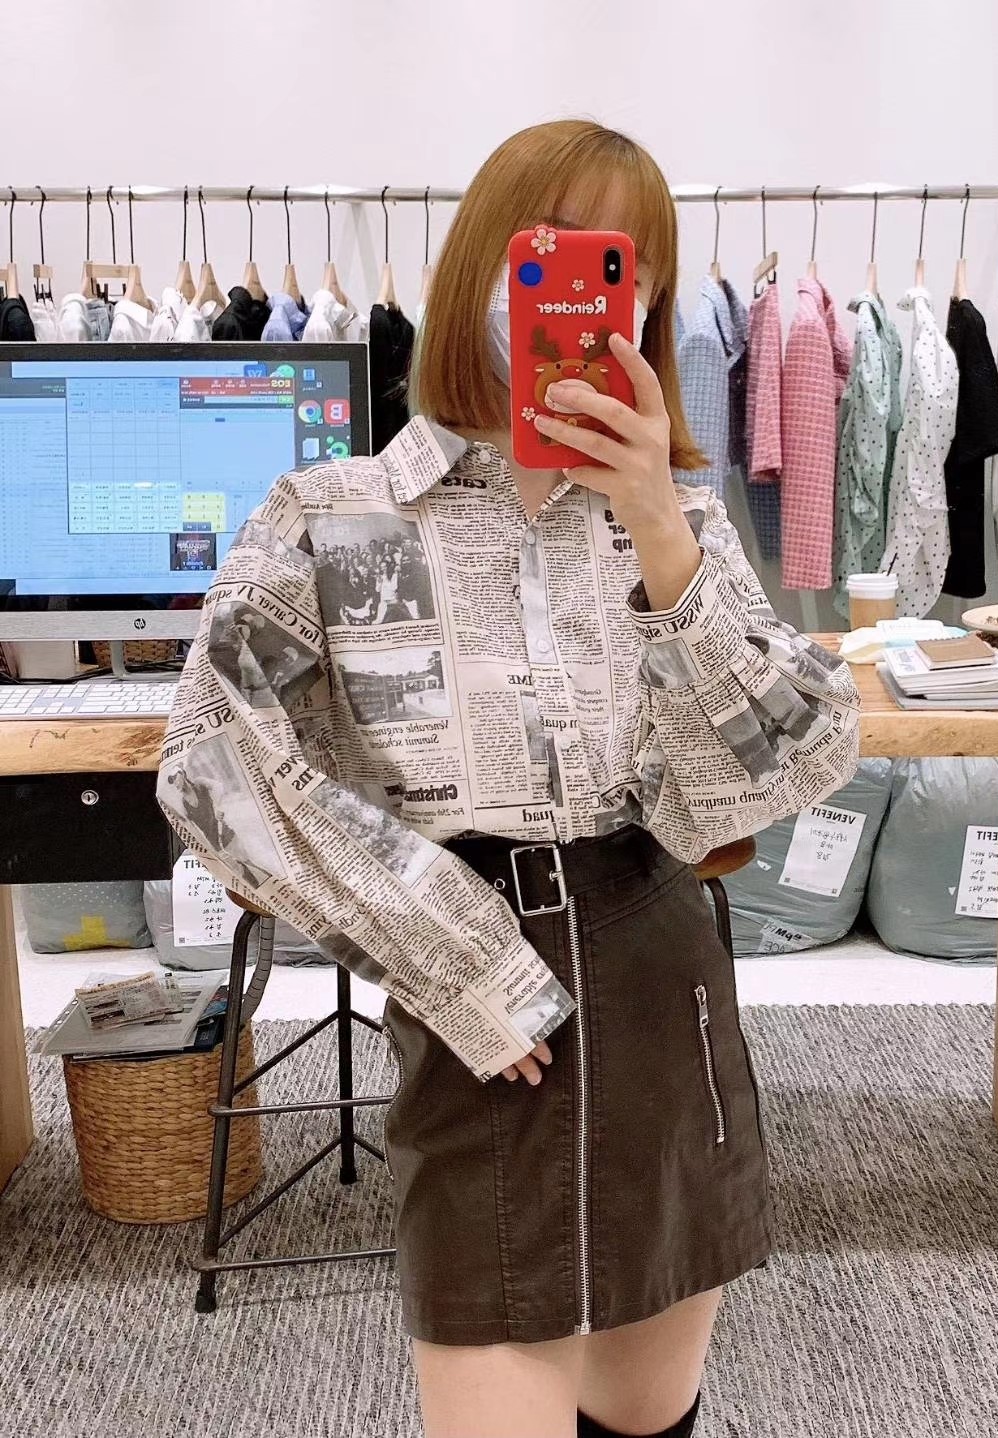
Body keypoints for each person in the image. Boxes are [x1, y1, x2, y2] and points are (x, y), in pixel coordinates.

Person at [158, 120, 860, 1438]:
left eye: (626, 265)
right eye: (557, 251)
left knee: (647, 1416)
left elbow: (795, 758)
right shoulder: (334, 514)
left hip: (663, 986)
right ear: (484, 262)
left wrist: (659, 527)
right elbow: (211, 763)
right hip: (479, 1021)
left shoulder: (681, 526)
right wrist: (458, 961)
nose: (593, 291)